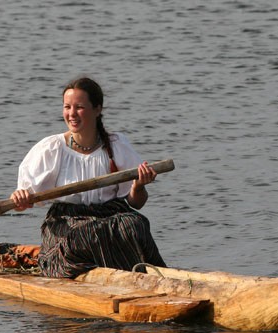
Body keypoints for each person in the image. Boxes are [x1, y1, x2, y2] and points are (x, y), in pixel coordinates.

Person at [10, 77, 166, 278]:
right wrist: (20, 197)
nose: (71, 114)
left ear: (97, 109)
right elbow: (23, 202)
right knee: (83, 235)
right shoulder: (52, 148)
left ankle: (146, 275)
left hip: (109, 216)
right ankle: (110, 272)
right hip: (68, 222)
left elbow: (136, 203)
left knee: (134, 224)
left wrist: (139, 185)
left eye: (79, 107)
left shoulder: (116, 145)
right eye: (67, 107)